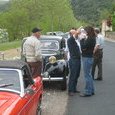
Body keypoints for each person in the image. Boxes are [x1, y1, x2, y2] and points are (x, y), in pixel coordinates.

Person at [80, 26, 96, 97]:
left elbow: (83, 47)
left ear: (88, 31)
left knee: (87, 75)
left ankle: (88, 91)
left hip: (87, 57)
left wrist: (81, 39)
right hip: (89, 57)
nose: (84, 32)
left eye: (85, 31)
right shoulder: (92, 38)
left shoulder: (90, 39)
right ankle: (91, 90)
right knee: (89, 75)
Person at [67, 29, 81, 96]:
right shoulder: (70, 40)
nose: (76, 34)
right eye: (74, 33)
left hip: (78, 59)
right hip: (73, 60)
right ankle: (70, 90)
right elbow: (74, 36)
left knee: (77, 74)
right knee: (73, 75)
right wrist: (77, 32)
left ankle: (74, 88)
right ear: (71, 34)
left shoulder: (76, 40)